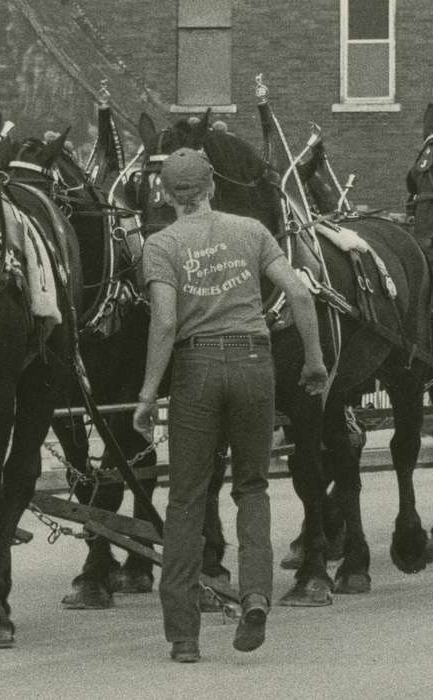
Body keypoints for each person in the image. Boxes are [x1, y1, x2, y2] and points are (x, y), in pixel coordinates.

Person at [132, 148, 328, 663]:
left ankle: (184, 636)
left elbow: (166, 322)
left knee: (186, 501)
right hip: (254, 363)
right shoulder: (252, 231)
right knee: (252, 487)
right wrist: (314, 361)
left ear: (169, 195)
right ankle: (257, 597)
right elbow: (302, 296)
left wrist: (150, 393)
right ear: (211, 187)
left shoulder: (161, 245)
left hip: (196, 371)